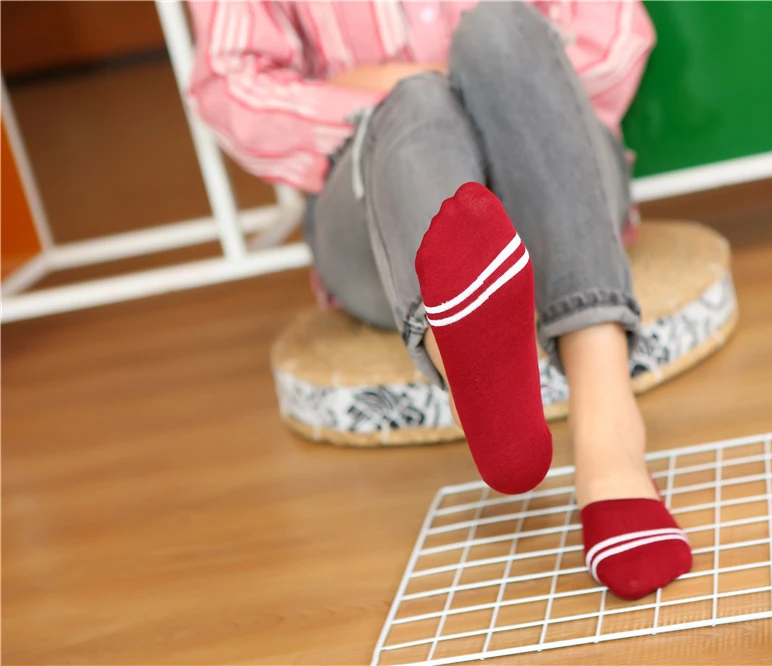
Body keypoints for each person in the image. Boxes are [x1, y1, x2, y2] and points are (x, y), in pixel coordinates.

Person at [188, 0, 691, 601]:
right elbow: (230, 88)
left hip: (556, 178)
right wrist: (409, 94)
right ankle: (472, 356)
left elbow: (615, 34)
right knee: (417, 106)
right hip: (382, 204)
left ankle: (602, 427)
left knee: (499, 31)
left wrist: (490, 88)